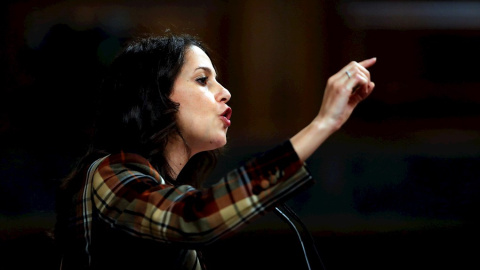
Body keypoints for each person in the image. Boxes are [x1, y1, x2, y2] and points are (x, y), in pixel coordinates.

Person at [54, 33, 376, 270]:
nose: (225, 93)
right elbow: (193, 218)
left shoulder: (163, 189)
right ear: (156, 97)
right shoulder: (107, 173)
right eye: (202, 80)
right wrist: (322, 124)